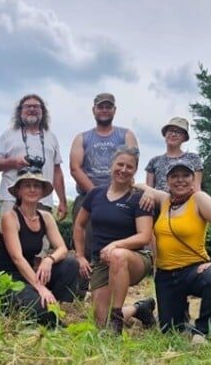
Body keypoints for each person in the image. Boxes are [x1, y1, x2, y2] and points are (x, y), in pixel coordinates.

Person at [136, 159, 211, 343]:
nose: (180, 180)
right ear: (168, 180)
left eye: (185, 175)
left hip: (193, 270)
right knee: (170, 330)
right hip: (165, 276)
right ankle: (180, 318)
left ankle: (204, 330)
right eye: (175, 176)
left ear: (193, 178)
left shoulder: (199, 199)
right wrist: (149, 190)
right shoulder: (165, 200)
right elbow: (136, 184)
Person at [73, 146, 156, 334]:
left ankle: (117, 320)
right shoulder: (95, 194)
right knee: (100, 322)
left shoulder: (139, 198)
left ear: (135, 170)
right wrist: (79, 255)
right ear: (112, 165)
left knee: (118, 255)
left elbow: (144, 235)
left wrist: (116, 245)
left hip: (134, 258)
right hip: (101, 262)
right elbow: (79, 225)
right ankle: (139, 308)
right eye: (120, 164)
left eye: (129, 167)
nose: (123, 170)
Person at [69, 93, 138, 297]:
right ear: (94, 110)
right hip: (88, 194)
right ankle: (81, 289)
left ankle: (116, 284)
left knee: (116, 242)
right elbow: (75, 167)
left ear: (114, 110)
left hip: (122, 196)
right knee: (84, 239)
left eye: (108, 107)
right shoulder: (82, 137)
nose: (104, 110)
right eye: (101, 107)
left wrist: (115, 194)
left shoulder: (126, 135)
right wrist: (97, 194)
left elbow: (133, 160)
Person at [0, 168, 79, 326]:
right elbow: (17, 258)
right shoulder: (10, 217)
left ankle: (55, 303)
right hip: (9, 277)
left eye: (36, 185)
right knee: (40, 308)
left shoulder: (45, 217)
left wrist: (49, 260)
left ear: (42, 191)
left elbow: (62, 248)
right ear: (18, 190)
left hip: (31, 273)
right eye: (27, 185)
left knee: (71, 263)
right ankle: (42, 306)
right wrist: (40, 287)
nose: (32, 189)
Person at [0, 94, 68, 220]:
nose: (32, 109)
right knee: (7, 237)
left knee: (42, 239)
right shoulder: (8, 135)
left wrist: (62, 201)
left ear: (43, 112)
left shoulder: (51, 137)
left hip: (43, 200)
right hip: (11, 199)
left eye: (36, 107)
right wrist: (12, 162)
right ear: (20, 112)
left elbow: (57, 172)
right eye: (27, 106)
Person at [145, 117, 203, 192]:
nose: (173, 134)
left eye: (178, 132)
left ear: (184, 137)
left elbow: (197, 189)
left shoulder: (193, 158)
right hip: (160, 201)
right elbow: (148, 191)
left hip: (187, 201)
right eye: (170, 131)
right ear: (165, 134)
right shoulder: (154, 161)